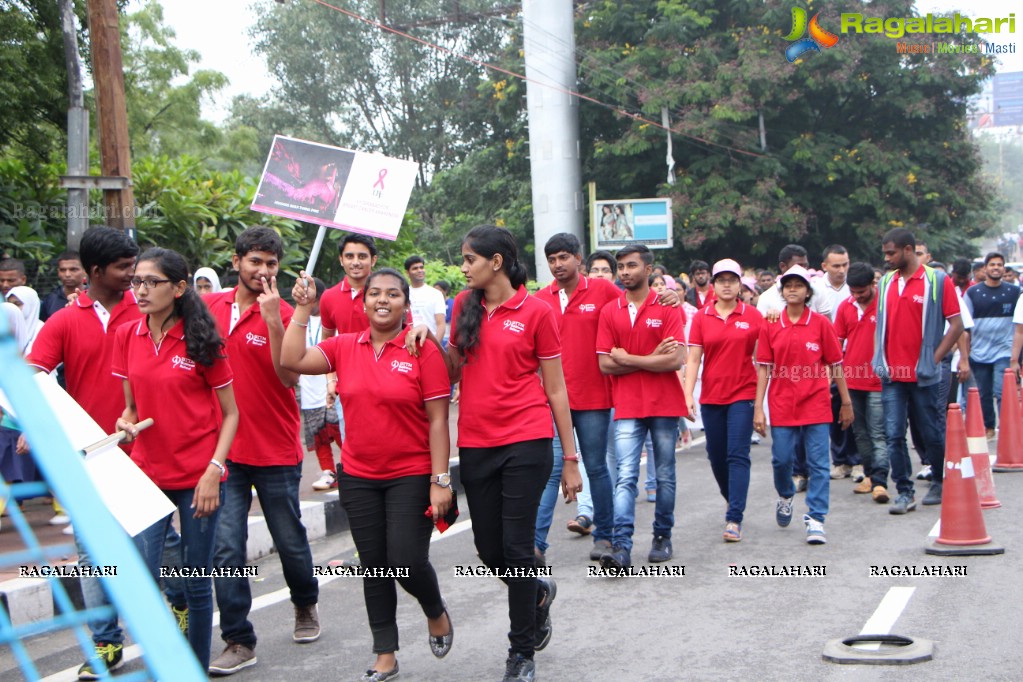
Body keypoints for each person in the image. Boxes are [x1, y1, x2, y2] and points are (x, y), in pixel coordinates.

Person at [408, 225, 580, 682]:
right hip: (477, 443)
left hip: (527, 440)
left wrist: (570, 459)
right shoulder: (464, 305)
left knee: (518, 548)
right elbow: (452, 371)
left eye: (469, 259)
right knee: (488, 548)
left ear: (496, 262)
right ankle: (538, 593)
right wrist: (427, 335)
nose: (463, 268)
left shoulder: (538, 311)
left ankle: (521, 652)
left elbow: (556, 388)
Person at [26, 226, 186, 679]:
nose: (135, 277)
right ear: (95, 272)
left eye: (137, 269)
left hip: (145, 450)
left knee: (162, 542)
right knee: (93, 552)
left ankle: (179, 603)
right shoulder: (63, 321)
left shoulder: (150, 313)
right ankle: (105, 643)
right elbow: (34, 374)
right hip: (89, 458)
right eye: (124, 269)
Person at [283, 268, 453, 682]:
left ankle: (435, 610)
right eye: (374, 293)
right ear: (362, 303)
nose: (382, 300)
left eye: (392, 294)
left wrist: (440, 479)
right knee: (374, 566)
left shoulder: (420, 349)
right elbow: (290, 360)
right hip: (358, 476)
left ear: (405, 305)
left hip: (411, 474)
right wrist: (303, 309)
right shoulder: (343, 345)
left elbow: (438, 420)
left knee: (407, 562)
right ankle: (385, 654)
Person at [112, 248, 239, 671]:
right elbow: (131, 406)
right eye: (137, 282)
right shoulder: (128, 335)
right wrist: (126, 422)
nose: (141, 290)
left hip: (199, 475)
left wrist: (213, 471)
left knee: (196, 579)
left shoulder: (203, 340)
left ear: (179, 287)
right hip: (149, 473)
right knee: (146, 579)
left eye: (152, 282)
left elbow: (231, 414)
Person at [205, 227, 319, 675]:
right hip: (224, 453)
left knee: (290, 542)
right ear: (236, 263)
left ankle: (305, 604)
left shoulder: (288, 312)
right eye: (255, 262)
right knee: (226, 548)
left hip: (275, 449)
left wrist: (275, 320)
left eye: (271, 264)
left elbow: (289, 377)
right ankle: (237, 638)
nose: (263, 271)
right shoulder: (208, 308)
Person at [596, 244, 686, 569]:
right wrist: (652, 359)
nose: (624, 272)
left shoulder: (667, 306)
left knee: (664, 475)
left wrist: (629, 358)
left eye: (631, 266)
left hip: (665, 403)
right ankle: (621, 546)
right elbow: (606, 364)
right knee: (626, 477)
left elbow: (676, 359)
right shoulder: (610, 311)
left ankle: (663, 536)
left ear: (649, 269)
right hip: (627, 405)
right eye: (620, 266)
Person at [533, 233, 621, 563]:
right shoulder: (540, 299)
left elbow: (632, 309)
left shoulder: (603, 290)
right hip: (552, 401)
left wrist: (666, 298)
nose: (557, 264)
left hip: (595, 397)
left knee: (596, 466)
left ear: (578, 259)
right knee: (551, 469)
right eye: (552, 259)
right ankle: (536, 545)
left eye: (563, 257)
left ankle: (606, 537)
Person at [754, 265, 852, 545]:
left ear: (808, 291)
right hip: (782, 403)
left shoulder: (821, 324)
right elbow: (763, 368)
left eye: (799, 285)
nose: (793, 289)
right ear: (782, 291)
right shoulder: (771, 323)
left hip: (817, 403)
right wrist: (758, 408)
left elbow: (835, 364)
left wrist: (846, 401)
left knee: (819, 464)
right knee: (781, 459)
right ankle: (785, 494)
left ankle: (816, 517)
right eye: (788, 285)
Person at [874, 228, 963, 513]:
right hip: (892, 375)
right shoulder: (886, 282)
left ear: (908, 250)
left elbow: (957, 324)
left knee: (930, 433)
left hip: (923, 375)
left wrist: (934, 359)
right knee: (894, 434)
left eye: (892, 253)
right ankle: (904, 490)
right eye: (886, 253)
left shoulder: (936, 280)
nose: (887, 258)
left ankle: (938, 479)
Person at [685, 259, 763, 542]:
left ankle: (734, 518)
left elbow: (761, 360)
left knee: (737, 454)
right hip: (712, 397)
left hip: (743, 394)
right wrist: (687, 394)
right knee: (716, 457)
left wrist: (761, 405)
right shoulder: (702, 317)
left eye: (732, 279)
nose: (727, 284)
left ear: (740, 283)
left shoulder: (753, 316)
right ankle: (733, 499)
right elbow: (694, 358)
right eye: (722, 280)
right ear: (713, 285)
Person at [834, 263, 889, 503]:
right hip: (851, 380)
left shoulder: (887, 305)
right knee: (861, 433)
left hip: (880, 380)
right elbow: (836, 342)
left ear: (872, 285)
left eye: (862, 292)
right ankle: (869, 475)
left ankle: (880, 481)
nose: (857, 296)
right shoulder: (845, 307)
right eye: (853, 292)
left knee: (878, 432)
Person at [964, 252, 1019, 440]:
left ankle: (1007, 428)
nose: (996, 268)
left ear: (1004, 268)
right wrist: (965, 355)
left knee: (1001, 390)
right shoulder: (973, 293)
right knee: (983, 393)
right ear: (985, 268)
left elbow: (1019, 327)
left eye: (999, 265)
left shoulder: (1014, 293)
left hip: (1004, 351)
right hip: (979, 352)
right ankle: (988, 427)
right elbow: (965, 327)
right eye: (992, 264)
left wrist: (1017, 357)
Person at [299, 277, 343, 491]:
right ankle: (328, 471)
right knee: (318, 436)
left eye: (314, 299)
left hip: (332, 387)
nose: (311, 303)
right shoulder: (298, 320)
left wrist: (332, 381)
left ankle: (352, 465)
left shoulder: (330, 320)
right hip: (308, 390)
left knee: (339, 430)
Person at [404, 255, 446, 340]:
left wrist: (436, 347)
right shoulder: (403, 294)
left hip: (430, 343)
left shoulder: (435, 294)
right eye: (415, 268)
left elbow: (441, 324)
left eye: (421, 267)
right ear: (407, 273)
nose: (419, 270)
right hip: (408, 343)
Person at [41, 251, 87, 321]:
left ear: (85, 271)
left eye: (73, 269)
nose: (67, 274)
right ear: (58, 272)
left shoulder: (94, 296)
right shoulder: (50, 300)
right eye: (63, 270)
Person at [5, 285, 43, 353]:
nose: (13, 308)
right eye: (10, 304)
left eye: (17, 304)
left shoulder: (43, 330)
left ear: (30, 305)